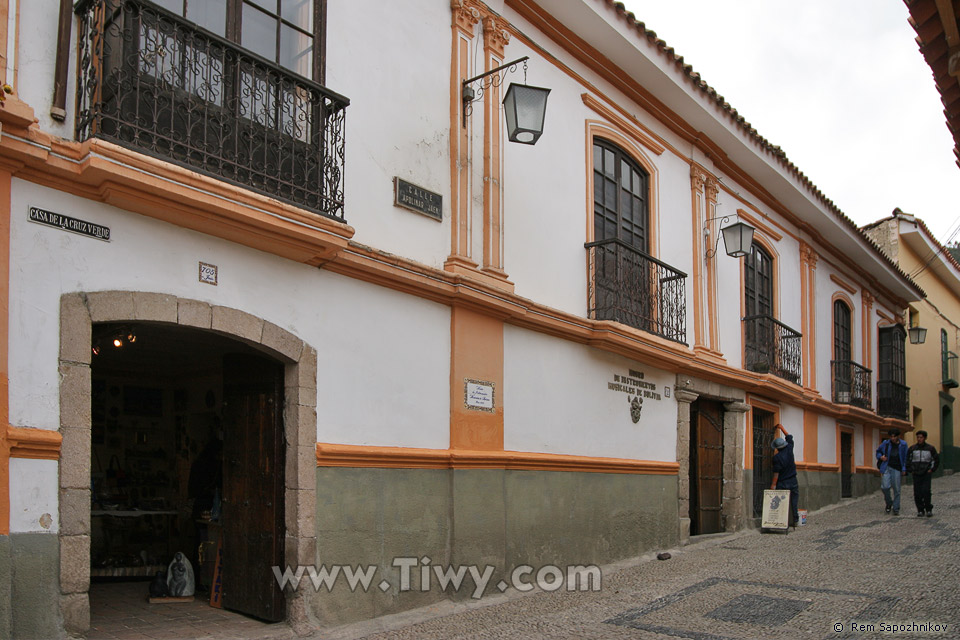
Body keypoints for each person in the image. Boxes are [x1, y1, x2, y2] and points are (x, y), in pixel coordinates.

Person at [770, 423, 799, 528]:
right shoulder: (790, 448)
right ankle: (795, 519)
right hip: (793, 480)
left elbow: (776, 473)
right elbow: (789, 436)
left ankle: (781, 521)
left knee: (781, 503)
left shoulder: (777, 458)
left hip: (782, 481)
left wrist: (773, 485)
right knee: (794, 501)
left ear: (777, 448)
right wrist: (782, 428)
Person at [876, 428, 908, 515]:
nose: (893, 438)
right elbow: (878, 452)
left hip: (897, 468)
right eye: (891, 436)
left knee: (897, 489)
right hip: (887, 467)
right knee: (885, 487)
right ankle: (889, 502)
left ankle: (896, 507)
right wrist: (881, 457)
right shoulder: (886, 444)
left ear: (898, 436)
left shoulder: (903, 445)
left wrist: (904, 468)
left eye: (894, 436)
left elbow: (905, 457)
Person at [907, 430, 939, 517]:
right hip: (916, 473)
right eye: (918, 437)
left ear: (924, 438)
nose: (919, 439)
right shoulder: (912, 448)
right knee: (917, 492)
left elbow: (936, 459)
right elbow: (908, 460)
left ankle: (928, 509)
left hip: (926, 473)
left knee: (926, 491)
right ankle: (920, 509)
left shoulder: (930, 448)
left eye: (921, 437)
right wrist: (911, 469)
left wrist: (932, 469)